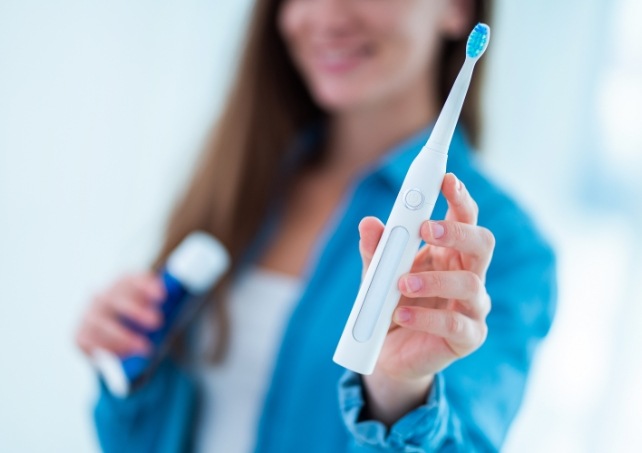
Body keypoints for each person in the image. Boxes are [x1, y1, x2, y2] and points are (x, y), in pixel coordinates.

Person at [75, 0, 556, 451]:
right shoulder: (241, 182)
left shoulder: (505, 250)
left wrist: (398, 391)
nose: (325, 15)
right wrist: (129, 367)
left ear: (458, 8)